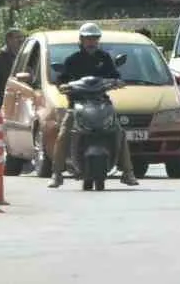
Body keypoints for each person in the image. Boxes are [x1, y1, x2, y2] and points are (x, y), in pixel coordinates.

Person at [50, 23, 138, 187]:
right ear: (81, 40)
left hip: (101, 103)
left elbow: (115, 75)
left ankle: (128, 172)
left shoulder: (104, 58)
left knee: (120, 132)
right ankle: (56, 174)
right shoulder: (72, 60)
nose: (91, 42)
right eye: (88, 39)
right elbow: (61, 79)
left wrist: (117, 82)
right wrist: (62, 85)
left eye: (94, 39)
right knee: (63, 133)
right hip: (77, 105)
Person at [0, 28, 23, 111]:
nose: (21, 40)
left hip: (20, 96)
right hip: (5, 98)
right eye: (17, 37)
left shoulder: (23, 54)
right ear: (9, 40)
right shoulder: (0, 57)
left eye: (22, 37)